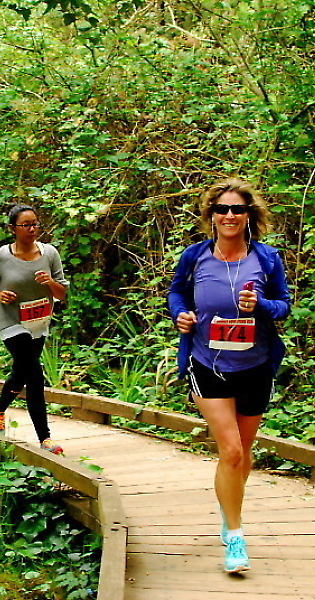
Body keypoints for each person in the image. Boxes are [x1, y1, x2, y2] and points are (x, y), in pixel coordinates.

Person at [168, 177, 291, 573]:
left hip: (255, 365)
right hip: (208, 363)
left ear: (249, 215)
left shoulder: (266, 259)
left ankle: (228, 509)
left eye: (238, 209)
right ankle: (235, 537)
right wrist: (180, 315)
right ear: (212, 215)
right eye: (222, 209)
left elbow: (284, 305)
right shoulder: (196, 256)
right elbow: (176, 292)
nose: (230, 215)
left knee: (244, 453)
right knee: (231, 451)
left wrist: (261, 305)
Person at [0, 204, 69, 454]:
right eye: (25, 225)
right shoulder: (0, 257)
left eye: (35, 224)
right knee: (34, 374)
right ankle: (45, 439)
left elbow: (62, 293)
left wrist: (49, 282)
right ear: (12, 229)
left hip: (38, 322)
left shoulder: (49, 254)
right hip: (11, 322)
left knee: (20, 373)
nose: (32, 229)